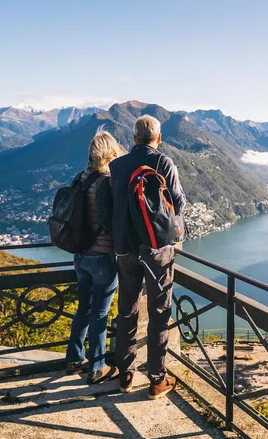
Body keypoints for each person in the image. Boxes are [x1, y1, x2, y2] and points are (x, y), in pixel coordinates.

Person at [109, 115, 186, 400]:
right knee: (159, 313)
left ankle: (125, 375)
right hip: (158, 251)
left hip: (125, 250)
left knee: (127, 311)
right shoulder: (164, 163)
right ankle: (157, 380)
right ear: (159, 138)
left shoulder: (115, 166)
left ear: (133, 139)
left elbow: (110, 206)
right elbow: (178, 202)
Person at [65, 131, 125, 385]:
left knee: (84, 308)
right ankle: (97, 366)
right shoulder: (105, 182)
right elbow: (106, 219)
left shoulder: (80, 178)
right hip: (102, 258)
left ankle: (73, 358)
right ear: (110, 154)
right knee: (100, 313)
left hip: (80, 256)